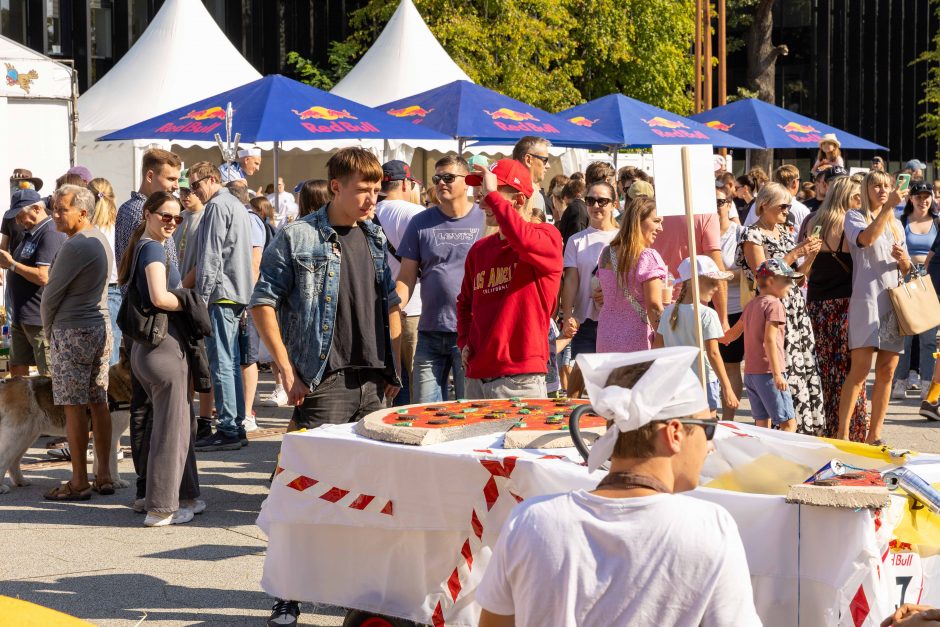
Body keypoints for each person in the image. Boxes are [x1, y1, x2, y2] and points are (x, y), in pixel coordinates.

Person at [477, 347, 760, 627]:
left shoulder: (530, 521)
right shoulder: (710, 528)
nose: (710, 446)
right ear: (674, 433)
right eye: (708, 428)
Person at [252, 148, 402, 627]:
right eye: (363, 189)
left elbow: (386, 306)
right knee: (307, 492)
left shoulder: (376, 235)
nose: (371, 199)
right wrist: (284, 367)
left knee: (369, 495)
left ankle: (359, 592)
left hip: (372, 381)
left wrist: (392, 371)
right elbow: (262, 303)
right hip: (326, 380)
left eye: (376, 190)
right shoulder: (298, 236)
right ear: (335, 186)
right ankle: (288, 592)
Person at [117, 191, 201, 525]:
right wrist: (189, 303)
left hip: (148, 351)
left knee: (175, 426)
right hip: (161, 350)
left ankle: (182, 496)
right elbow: (159, 297)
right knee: (172, 430)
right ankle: (161, 508)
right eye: (165, 215)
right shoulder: (151, 247)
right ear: (148, 214)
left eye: (177, 217)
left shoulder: (144, 246)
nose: (171, 222)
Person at [456, 159, 562, 400]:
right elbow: (464, 303)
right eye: (481, 192)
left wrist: (493, 195)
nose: (482, 200)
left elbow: (523, 240)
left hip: (520, 379)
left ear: (520, 200)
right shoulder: (479, 250)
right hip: (476, 377)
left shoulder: (547, 236)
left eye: (490, 192)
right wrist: (464, 341)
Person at [114, 148, 183, 509]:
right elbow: (137, 277)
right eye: (171, 180)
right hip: (147, 321)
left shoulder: (153, 215)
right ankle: (147, 487)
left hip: (151, 320)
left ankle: (151, 487)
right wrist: (182, 300)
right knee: (146, 406)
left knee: (149, 405)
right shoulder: (134, 213)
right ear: (151, 176)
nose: (176, 187)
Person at [40, 185, 114, 499]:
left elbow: (50, 296)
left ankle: (79, 480)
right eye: (54, 208)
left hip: (72, 331)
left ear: (82, 211)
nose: (55, 214)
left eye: (62, 209)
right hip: (98, 326)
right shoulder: (98, 238)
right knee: (98, 401)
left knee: (73, 406)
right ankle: (105, 475)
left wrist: (48, 333)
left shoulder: (76, 245)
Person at [736, 182, 825, 435]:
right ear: (763, 206)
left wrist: (810, 257)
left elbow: (797, 277)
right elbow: (762, 274)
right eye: (783, 206)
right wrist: (797, 251)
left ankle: (800, 430)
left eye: (789, 205)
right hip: (770, 307)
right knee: (778, 367)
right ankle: (779, 431)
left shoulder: (785, 233)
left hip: (794, 307)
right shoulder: (751, 235)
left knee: (799, 369)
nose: (788, 210)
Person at [397, 156, 485, 402]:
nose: (441, 183)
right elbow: (405, 278)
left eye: (448, 177)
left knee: (468, 410)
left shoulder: (485, 220)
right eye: (437, 178)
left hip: (471, 333)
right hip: (430, 331)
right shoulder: (420, 222)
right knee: (424, 411)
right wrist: (393, 307)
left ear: (467, 182)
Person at [184, 161, 255, 452]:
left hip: (221, 293)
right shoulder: (235, 204)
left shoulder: (216, 206)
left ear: (212, 179)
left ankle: (228, 427)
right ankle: (234, 424)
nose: (193, 191)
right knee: (231, 362)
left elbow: (210, 255)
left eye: (195, 185)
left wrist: (200, 297)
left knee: (222, 362)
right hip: (235, 291)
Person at [836, 170, 911, 443]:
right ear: (866, 189)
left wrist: (904, 260)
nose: (882, 190)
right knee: (859, 371)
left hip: (892, 302)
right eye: (876, 185)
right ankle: (842, 433)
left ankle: (875, 434)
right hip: (866, 301)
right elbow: (865, 240)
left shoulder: (897, 225)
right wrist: (888, 207)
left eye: (886, 186)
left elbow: (906, 269)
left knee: (887, 371)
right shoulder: (854, 216)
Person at [803, 177, 869, 440]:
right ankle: (851, 428)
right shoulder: (849, 224)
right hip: (844, 303)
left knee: (824, 368)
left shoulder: (812, 221)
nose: (859, 200)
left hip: (817, 303)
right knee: (849, 370)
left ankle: (826, 424)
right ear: (845, 196)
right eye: (855, 196)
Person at [655, 256, 737, 417]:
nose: (716, 287)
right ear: (695, 281)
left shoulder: (668, 312)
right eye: (712, 282)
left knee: (683, 424)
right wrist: (727, 387)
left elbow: (657, 348)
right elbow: (713, 354)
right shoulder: (707, 314)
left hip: (677, 380)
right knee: (706, 426)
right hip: (703, 381)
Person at [723, 259, 799, 431]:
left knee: (762, 425)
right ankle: (781, 458)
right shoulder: (775, 305)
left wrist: (715, 338)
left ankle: (764, 456)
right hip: (769, 373)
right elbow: (770, 339)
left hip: (751, 374)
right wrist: (777, 374)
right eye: (787, 280)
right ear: (772, 281)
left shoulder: (751, 304)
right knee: (788, 423)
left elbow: (732, 334)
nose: (790, 285)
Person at [375, 160, 426, 404]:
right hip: (414, 307)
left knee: (391, 383)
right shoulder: (416, 213)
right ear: (406, 183)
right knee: (418, 384)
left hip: (380, 306)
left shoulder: (366, 211)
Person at [0, 189, 66, 376]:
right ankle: (23, 406)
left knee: (48, 377)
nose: (17, 221)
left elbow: (43, 276)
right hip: (23, 318)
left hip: (38, 319)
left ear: (37, 209)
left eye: (20, 215)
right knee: (17, 373)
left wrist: (12, 264)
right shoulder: (31, 233)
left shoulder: (50, 233)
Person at [651, 188, 729, 329]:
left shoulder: (650, 211)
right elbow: (716, 268)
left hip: (653, 306)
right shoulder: (705, 214)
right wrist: (723, 319)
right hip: (691, 310)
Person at [596, 197, 666, 353]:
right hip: (638, 339)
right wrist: (664, 339)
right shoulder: (647, 256)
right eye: (656, 221)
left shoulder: (607, 253)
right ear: (638, 220)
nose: (660, 228)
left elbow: (606, 293)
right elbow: (654, 306)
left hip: (606, 337)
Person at [890, 181, 940, 400]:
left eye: (926, 196)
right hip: (906, 280)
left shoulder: (938, 222)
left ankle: (927, 382)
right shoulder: (901, 221)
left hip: (931, 283)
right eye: (918, 196)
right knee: (906, 335)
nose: (923, 200)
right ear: (910, 199)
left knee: (929, 337)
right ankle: (900, 381)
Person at [559, 181, 619, 360]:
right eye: (590, 200)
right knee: (586, 381)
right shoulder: (576, 240)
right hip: (584, 322)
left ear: (614, 204)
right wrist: (568, 315)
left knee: (613, 382)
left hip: (618, 322)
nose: (595, 206)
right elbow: (570, 279)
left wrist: (612, 292)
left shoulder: (623, 237)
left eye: (602, 201)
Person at [716, 190, 745, 420]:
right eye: (711, 203)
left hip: (734, 307)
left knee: (731, 366)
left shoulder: (739, 234)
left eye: (720, 202)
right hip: (707, 307)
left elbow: (749, 272)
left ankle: (728, 421)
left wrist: (723, 275)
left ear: (729, 205)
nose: (716, 207)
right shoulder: (701, 233)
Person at [87, 178, 121, 365]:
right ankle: (108, 393)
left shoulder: (87, 231)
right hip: (114, 290)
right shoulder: (118, 228)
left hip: (91, 291)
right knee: (111, 347)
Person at [744, 165, 810, 233]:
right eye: (783, 206)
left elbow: (745, 229)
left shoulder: (756, 204)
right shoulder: (802, 210)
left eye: (787, 207)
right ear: (794, 183)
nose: (786, 212)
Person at [511, 136, 551, 216]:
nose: (548, 166)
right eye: (545, 160)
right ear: (528, 160)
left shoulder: (504, 191)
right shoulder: (533, 195)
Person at [555, 178, 588, 247]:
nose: (567, 207)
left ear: (577, 195)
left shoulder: (576, 208)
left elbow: (577, 235)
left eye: (567, 204)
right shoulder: (584, 208)